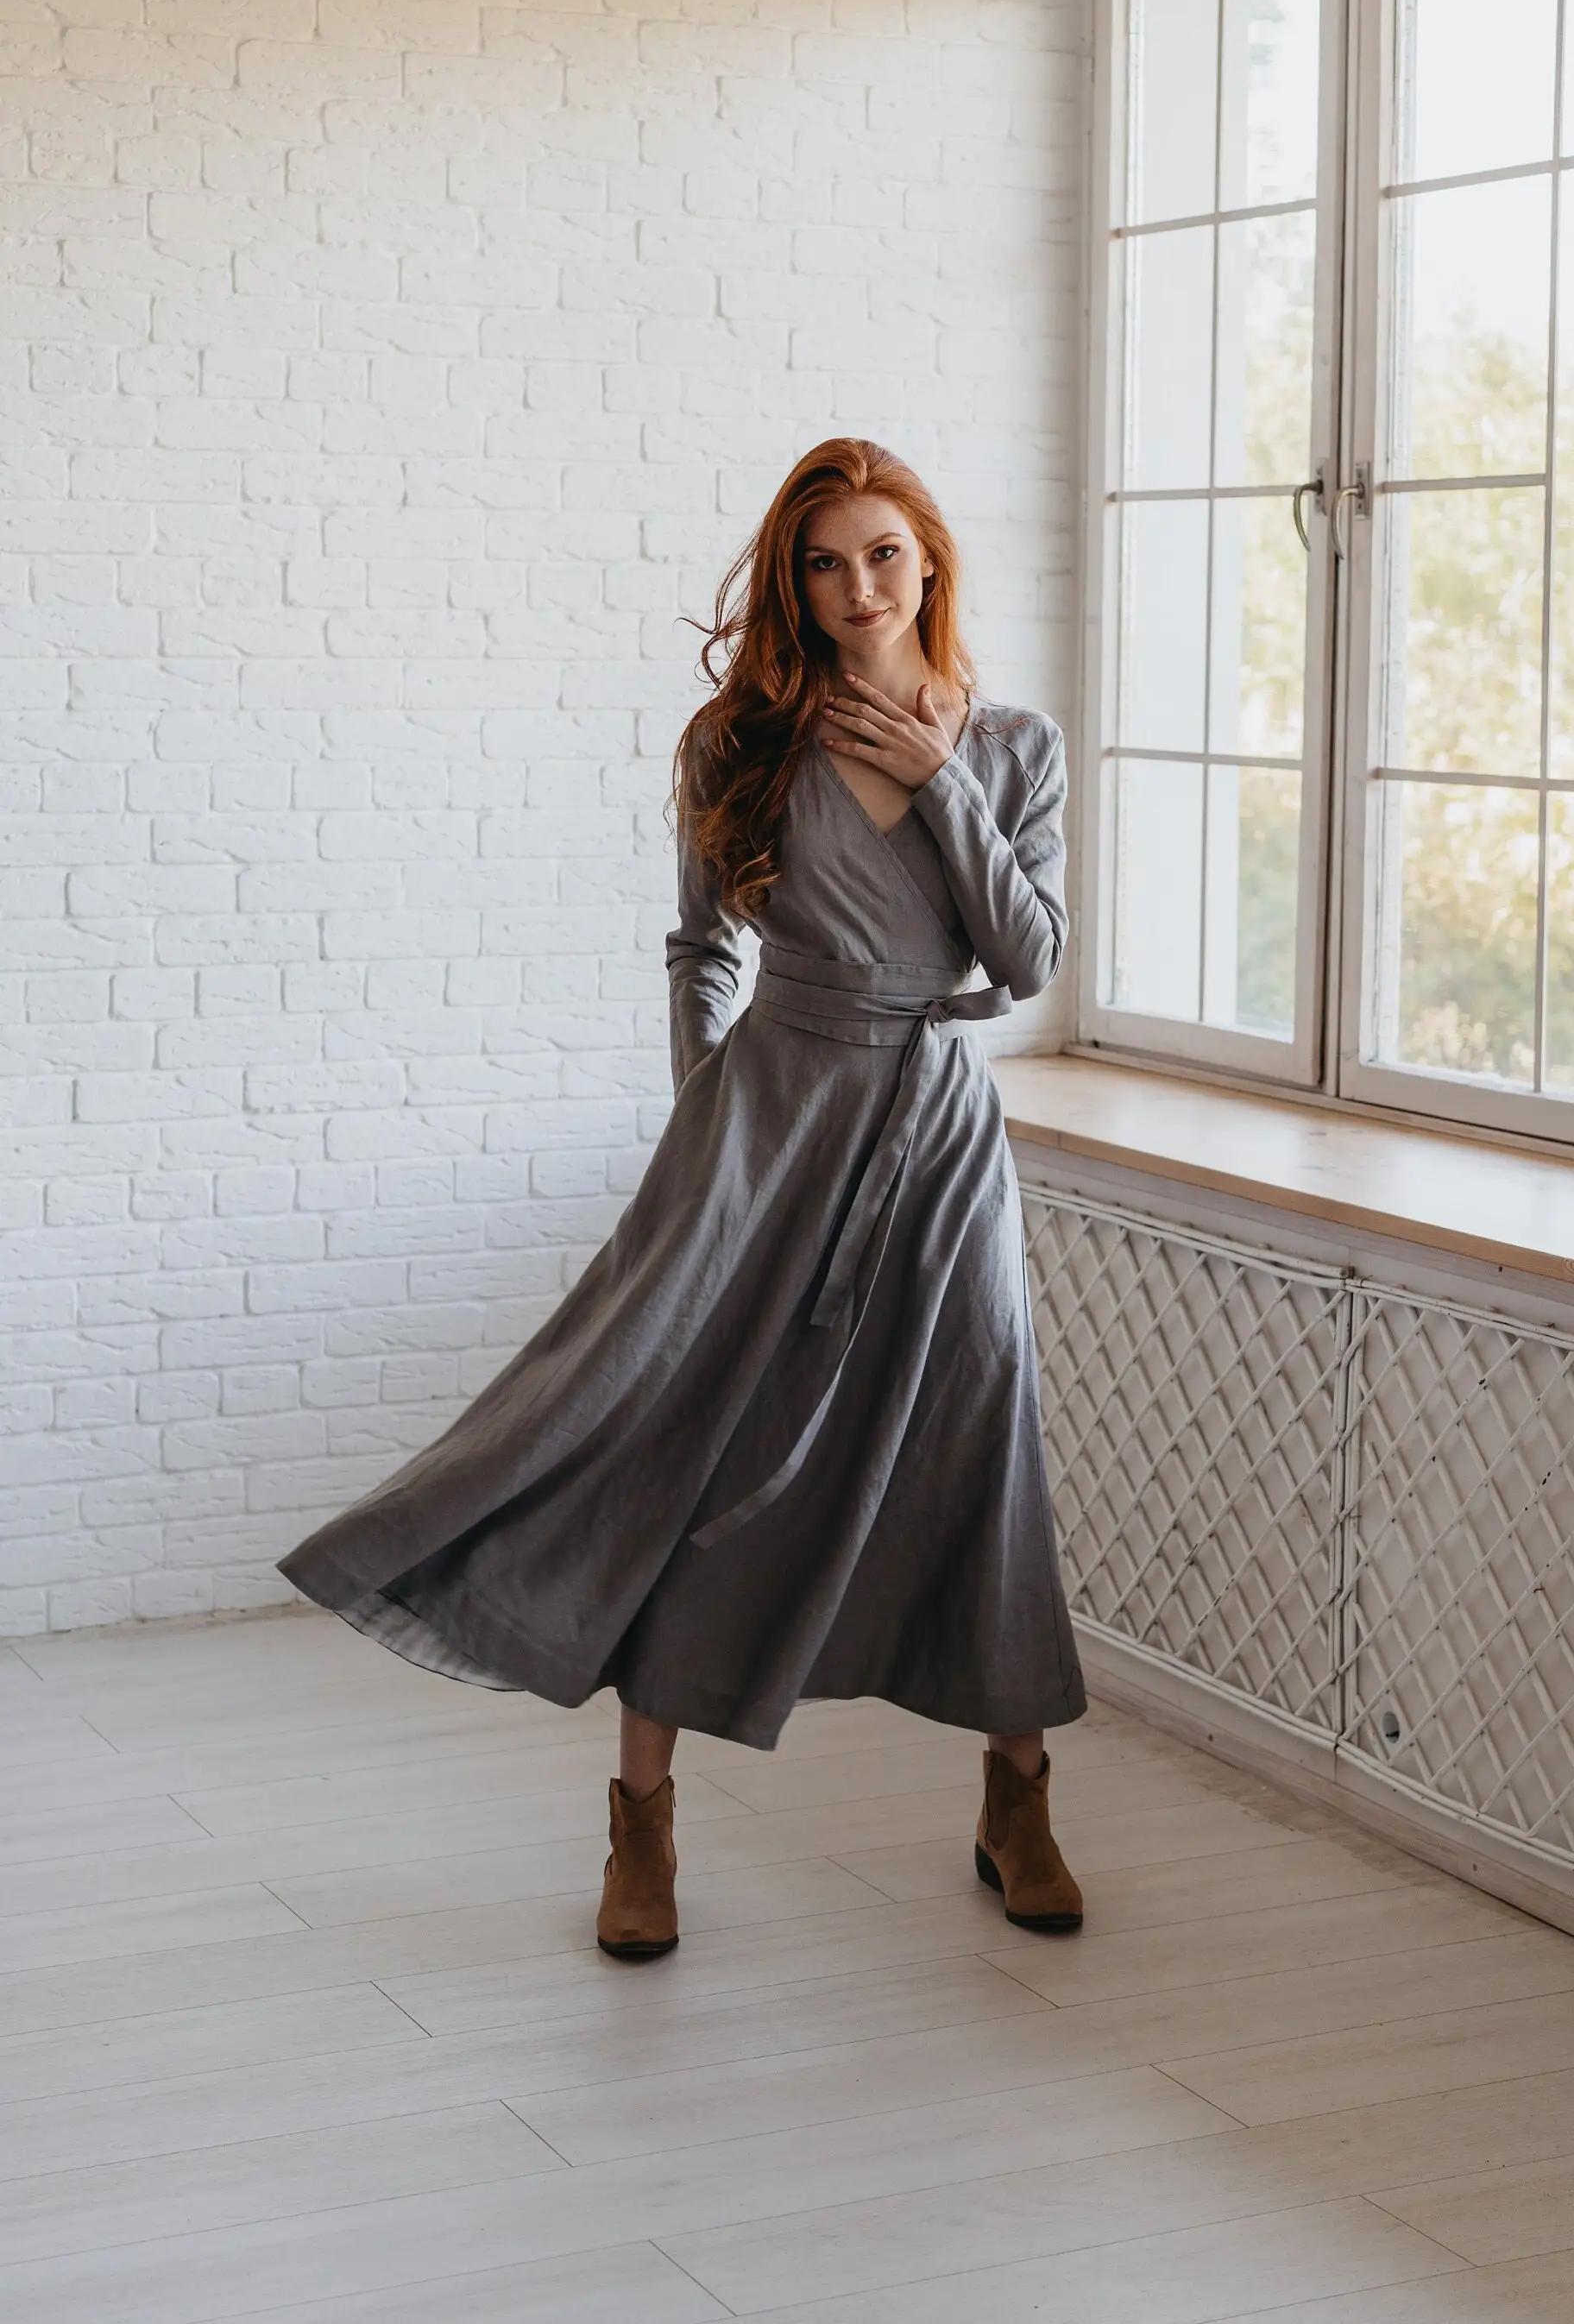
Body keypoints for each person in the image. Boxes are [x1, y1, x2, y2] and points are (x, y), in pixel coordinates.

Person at [277, 437, 1086, 1962]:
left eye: (884, 555)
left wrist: (938, 781)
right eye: (825, 564)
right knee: (696, 1445)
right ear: (794, 582)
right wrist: (707, 1108)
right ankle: (640, 1822)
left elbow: (1028, 959)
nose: (858, 589)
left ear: (930, 562)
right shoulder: (742, 744)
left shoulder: (1014, 746)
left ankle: (1017, 1797)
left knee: (980, 1447)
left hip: (938, 1136)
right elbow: (701, 948)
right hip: (767, 1127)